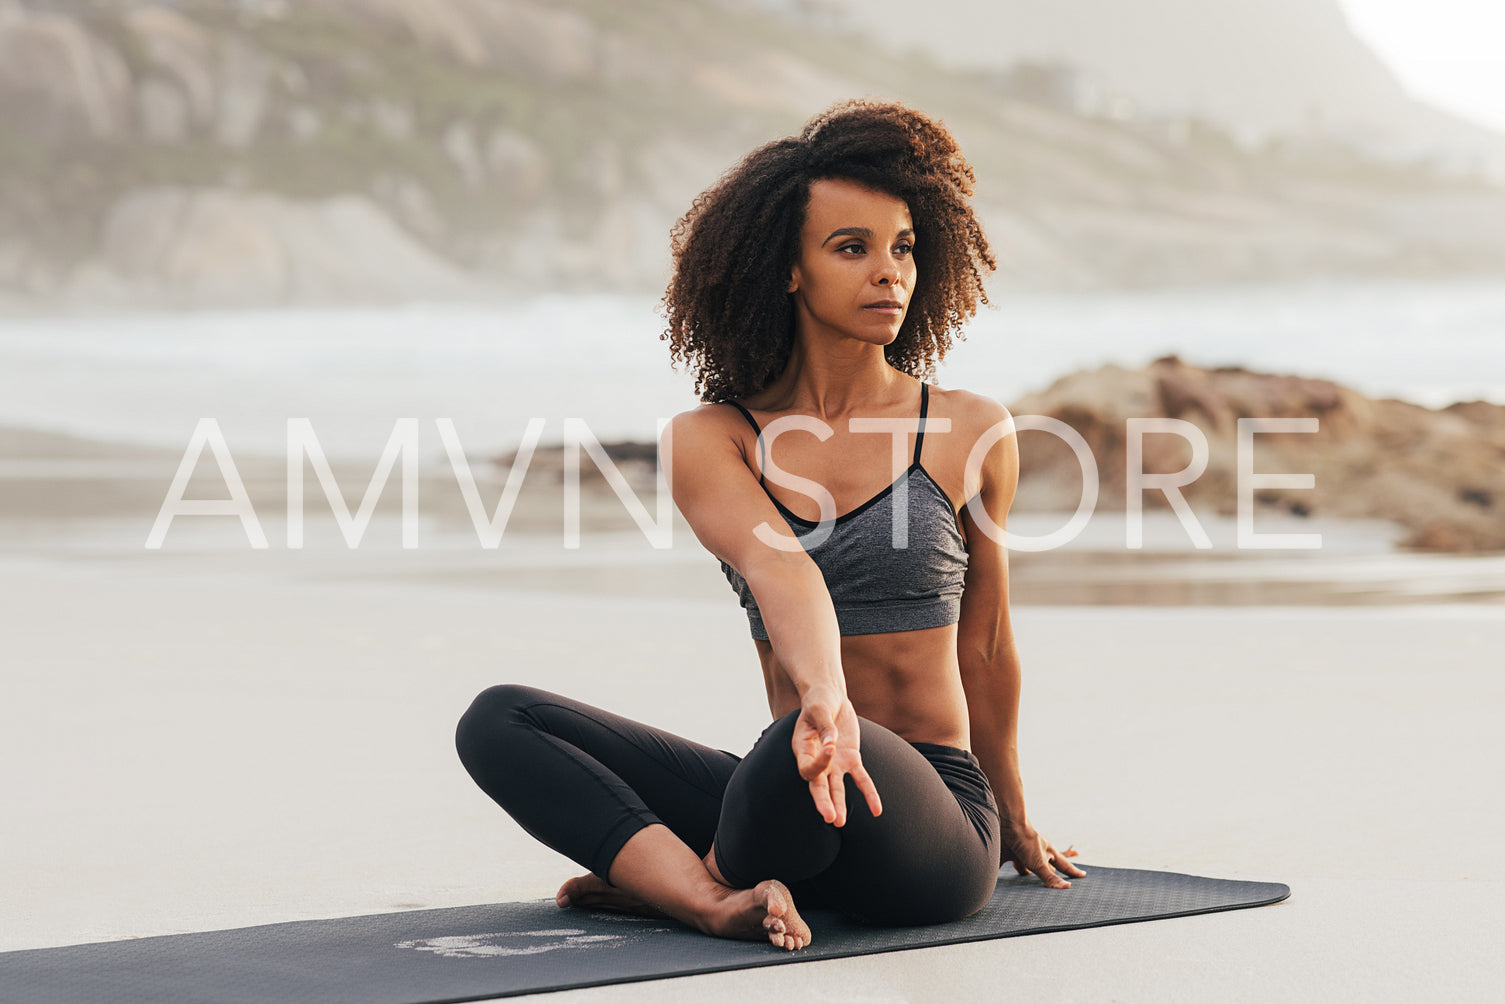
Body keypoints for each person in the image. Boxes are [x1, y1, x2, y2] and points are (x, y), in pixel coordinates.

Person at [455, 99, 1082, 952]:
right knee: (499, 720)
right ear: (788, 269)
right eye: (851, 247)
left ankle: (683, 877)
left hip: (928, 821)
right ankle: (708, 896)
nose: (890, 271)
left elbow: (988, 644)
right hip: (793, 781)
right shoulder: (715, 440)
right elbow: (779, 566)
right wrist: (827, 698)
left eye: (902, 246)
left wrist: (1011, 815)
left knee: (795, 744)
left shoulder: (970, 429)